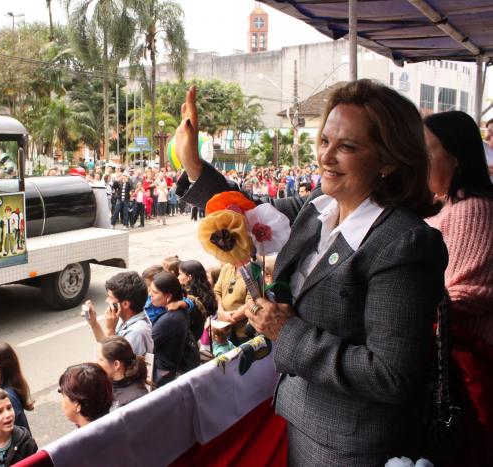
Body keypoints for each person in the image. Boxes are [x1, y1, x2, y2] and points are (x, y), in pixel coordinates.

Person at [174, 81, 447, 465]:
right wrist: (194, 165)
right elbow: (248, 214)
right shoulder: (318, 206)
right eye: (324, 141)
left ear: (388, 160)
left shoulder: (404, 244)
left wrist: (287, 333)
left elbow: (391, 374)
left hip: (353, 447)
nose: (326, 156)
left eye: (347, 147)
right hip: (303, 419)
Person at [423, 111, 493, 466]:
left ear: (455, 156)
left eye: (428, 149)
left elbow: (467, 292)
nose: (419, 158)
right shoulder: (444, 206)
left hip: (460, 368)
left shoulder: (471, 209)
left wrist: (404, 298)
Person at [83, 271, 153, 356]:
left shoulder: (136, 333)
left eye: (110, 297)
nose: (107, 300)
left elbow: (114, 361)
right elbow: (104, 342)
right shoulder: (124, 318)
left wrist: (110, 330)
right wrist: (94, 323)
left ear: (125, 304)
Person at [150, 272, 198, 387]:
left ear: (168, 296)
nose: (150, 294)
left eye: (155, 292)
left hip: (163, 371)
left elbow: (148, 344)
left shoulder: (170, 319)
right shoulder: (180, 308)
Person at [97, 336, 149, 410]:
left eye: (100, 359)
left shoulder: (136, 399)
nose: (96, 363)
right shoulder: (107, 382)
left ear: (116, 365)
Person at [58, 363, 113, 428]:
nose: (61, 400)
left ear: (77, 406)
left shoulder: (86, 437)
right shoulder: (119, 425)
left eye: (63, 395)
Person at [178, 259, 217, 341]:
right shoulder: (207, 290)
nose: (178, 277)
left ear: (189, 277)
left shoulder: (191, 298)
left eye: (180, 274)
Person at [214, 262, 251, 345]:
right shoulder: (227, 267)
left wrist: (228, 319)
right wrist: (220, 311)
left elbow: (251, 302)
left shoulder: (251, 270)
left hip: (243, 331)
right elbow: (217, 291)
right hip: (224, 328)